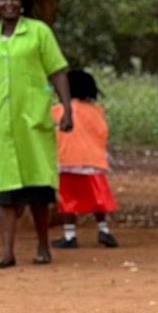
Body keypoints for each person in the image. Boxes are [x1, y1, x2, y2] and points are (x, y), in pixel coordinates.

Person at [0, 0, 73, 269]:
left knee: (38, 187)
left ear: (22, 2)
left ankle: (42, 246)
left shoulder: (39, 32)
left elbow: (58, 71)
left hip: (32, 120)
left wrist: (66, 108)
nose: (8, 3)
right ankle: (7, 252)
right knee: (2, 191)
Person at [52, 69, 119, 249]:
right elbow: (102, 133)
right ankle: (104, 231)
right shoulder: (97, 112)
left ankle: (70, 235)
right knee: (98, 199)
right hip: (94, 162)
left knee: (68, 200)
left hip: (67, 161)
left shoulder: (58, 111)